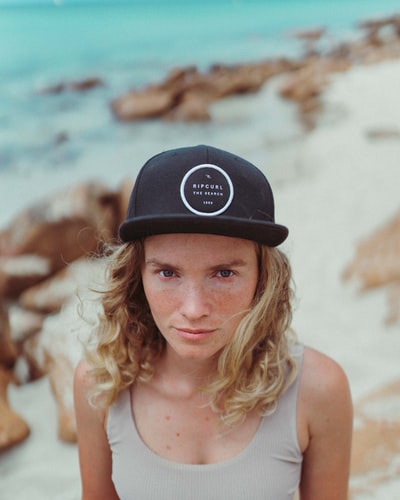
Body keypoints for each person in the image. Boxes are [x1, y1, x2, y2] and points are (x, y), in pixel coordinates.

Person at [73, 144, 353, 500]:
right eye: (168, 272)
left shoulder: (316, 390)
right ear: (136, 275)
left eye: (223, 273)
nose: (194, 309)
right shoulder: (101, 383)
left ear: (264, 279)